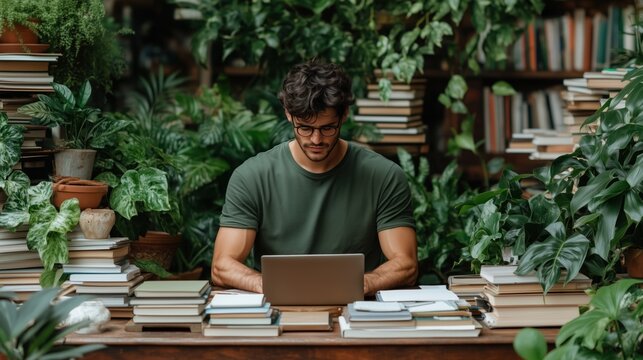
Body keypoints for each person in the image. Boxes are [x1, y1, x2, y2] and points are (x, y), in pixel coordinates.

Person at [211, 60, 418, 295]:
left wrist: (362, 284)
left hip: (355, 310)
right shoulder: (251, 176)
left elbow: (406, 265)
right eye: (305, 128)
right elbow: (221, 266)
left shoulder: (384, 176)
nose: (316, 140)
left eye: (328, 128)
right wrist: (267, 285)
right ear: (288, 114)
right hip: (276, 307)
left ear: (345, 115)